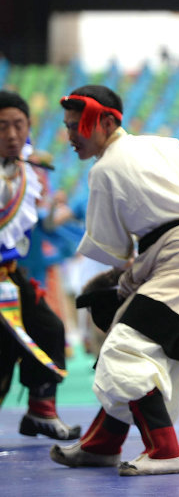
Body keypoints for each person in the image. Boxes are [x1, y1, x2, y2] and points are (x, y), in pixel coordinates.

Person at [49, 84, 179, 476]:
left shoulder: (104, 169)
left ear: (107, 121)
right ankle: (102, 444)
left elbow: (113, 250)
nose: (70, 135)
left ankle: (165, 451)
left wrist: (117, 277)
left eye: (76, 125)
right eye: (67, 126)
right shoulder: (160, 144)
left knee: (124, 351)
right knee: (148, 354)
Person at [0, 90, 80, 441]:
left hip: (10, 274)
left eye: (18, 125)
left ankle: (41, 411)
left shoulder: (25, 170)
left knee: (48, 328)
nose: (12, 135)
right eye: (2, 127)